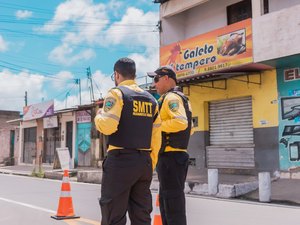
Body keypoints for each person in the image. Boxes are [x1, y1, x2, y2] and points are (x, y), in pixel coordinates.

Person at [94, 57, 161, 225]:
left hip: (121, 162)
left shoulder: (117, 93)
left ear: (116, 75)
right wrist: (150, 163)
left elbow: (108, 126)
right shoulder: (152, 100)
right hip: (144, 162)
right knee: (141, 215)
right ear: (135, 75)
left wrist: (99, 116)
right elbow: (156, 137)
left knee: (113, 215)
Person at [148, 65, 192, 225]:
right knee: (168, 201)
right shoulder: (179, 98)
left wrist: (156, 126)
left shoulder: (172, 98)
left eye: (156, 79)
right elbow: (190, 129)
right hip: (173, 157)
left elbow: (181, 123)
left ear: (166, 78)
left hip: (171, 158)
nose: (154, 84)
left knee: (172, 204)